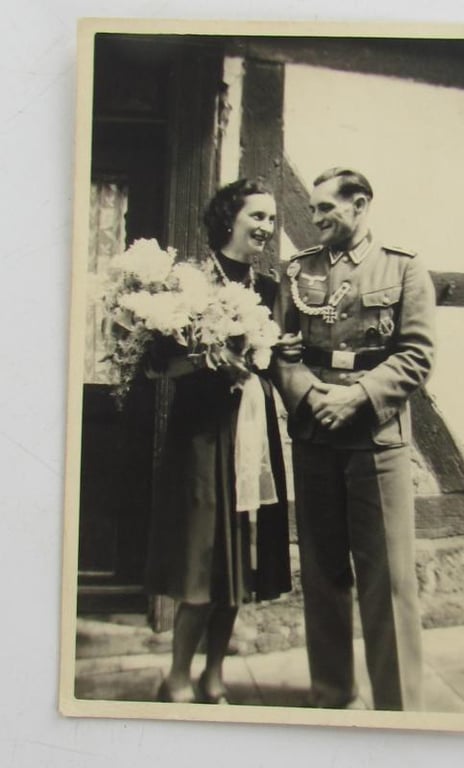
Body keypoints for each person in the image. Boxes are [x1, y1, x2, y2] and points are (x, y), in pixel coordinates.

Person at [273, 167, 435, 711]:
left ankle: (400, 710)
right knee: (321, 575)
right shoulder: (298, 270)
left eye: (327, 209)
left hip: (376, 438)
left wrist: (357, 397)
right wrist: (309, 396)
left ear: (360, 204)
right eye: (314, 209)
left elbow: (416, 355)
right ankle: (333, 696)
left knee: (387, 580)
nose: (315, 219)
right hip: (315, 436)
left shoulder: (404, 268)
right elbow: (278, 350)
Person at [146, 178, 291, 704]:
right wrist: (206, 359)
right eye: (258, 216)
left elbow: (278, 362)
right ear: (229, 217)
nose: (267, 228)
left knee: (240, 557)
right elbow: (159, 363)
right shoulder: (189, 281)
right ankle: (178, 676)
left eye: (272, 220)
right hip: (203, 435)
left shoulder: (271, 290)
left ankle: (213, 676)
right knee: (202, 554)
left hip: (252, 433)